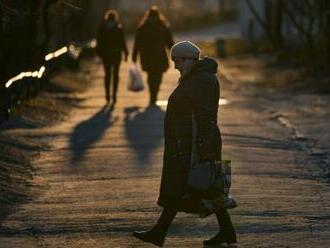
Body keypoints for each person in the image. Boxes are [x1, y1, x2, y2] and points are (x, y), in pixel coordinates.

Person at [132, 41, 237, 247]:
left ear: (189, 59)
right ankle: (227, 234)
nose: (175, 66)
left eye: (178, 60)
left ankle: (159, 233)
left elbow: (205, 116)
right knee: (204, 188)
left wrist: (204, 147)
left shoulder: (201, 81)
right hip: (188, 144)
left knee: (187, 188)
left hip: (195, 146)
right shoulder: (194, 78)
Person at [132, 6, 173, 105]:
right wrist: (174, 52)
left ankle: (152, 94)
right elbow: (169, 42)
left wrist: (134, 55)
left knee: (150, 75)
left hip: (147, 55)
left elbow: (137, 42)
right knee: (158, 74)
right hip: (160, 54)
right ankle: (155, 92)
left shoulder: (142, 27)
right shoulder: (162, 26)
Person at [96, 10, 128, 104]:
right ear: (115, 18)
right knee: (115, 75)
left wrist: (98, 52)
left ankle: (107, 95)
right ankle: (114, 95)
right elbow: (122, 41)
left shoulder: (102, 28)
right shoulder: (118, 28)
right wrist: (126, 53)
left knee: (107, 74)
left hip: (106, 54)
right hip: (116, 54)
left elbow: (99, 41)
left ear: (107, 18)